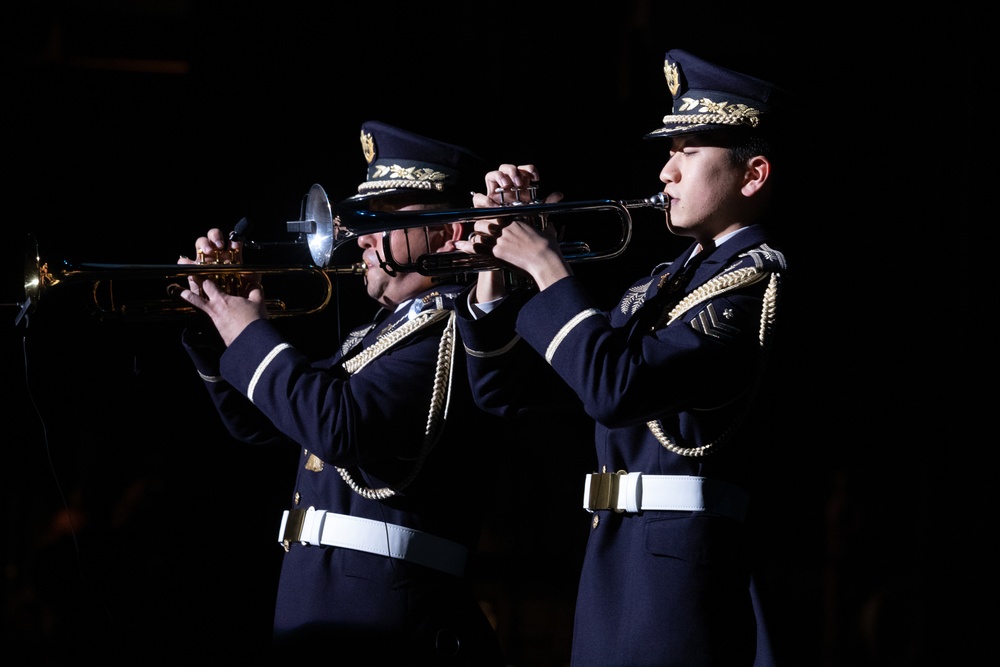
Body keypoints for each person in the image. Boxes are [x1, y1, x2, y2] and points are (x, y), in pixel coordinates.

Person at [452, 49, 796, 666]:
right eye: (668, 153)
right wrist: (495, 280)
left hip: (681, 579)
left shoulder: (751, 286)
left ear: (754, 175)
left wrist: (545, 265)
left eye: (687, 152)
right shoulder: (659, 287)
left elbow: (617, 389)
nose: (666, 172)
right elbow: (506, 392)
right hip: (617, 565)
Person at [175, 120, 506, 665]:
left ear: (447, 232)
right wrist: (218, 324)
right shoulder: (377, 334)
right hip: (325, 597)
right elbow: (262, 422)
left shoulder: (452, 329)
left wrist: (248, 334)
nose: (361, 237)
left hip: (387, 612)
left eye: (382, 220)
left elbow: (337, 426)